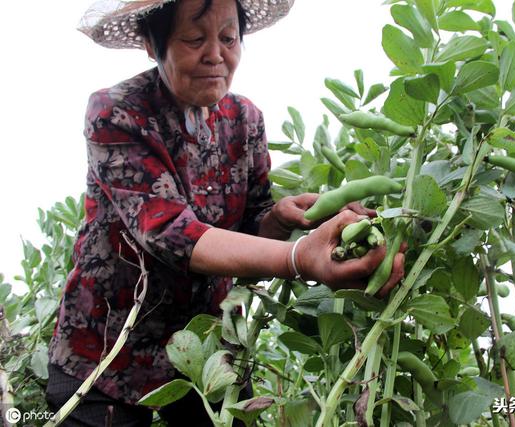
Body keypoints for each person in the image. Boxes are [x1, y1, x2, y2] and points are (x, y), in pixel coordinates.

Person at [46, 0, 406, 425]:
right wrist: (298, 258)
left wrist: (282, 220)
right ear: (151, 43)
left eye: (229, 38)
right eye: (195, 39)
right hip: (107, 355)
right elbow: (170, 234)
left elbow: (251, 224)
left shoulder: (244, 119)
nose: (216, 55)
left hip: (207, 352)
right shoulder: (118, 113)